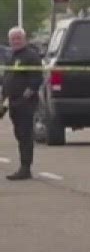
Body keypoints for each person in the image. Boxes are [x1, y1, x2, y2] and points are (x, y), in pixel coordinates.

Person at [3, 28, 42, 181]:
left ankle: (25, 168)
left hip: (25, 103)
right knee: (19, 134)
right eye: (13, 38)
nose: (16, 41)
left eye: (18, 38)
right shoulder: (11, 56)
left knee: (25, 135)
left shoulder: (31, 56)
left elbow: (36, 79)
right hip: (12, 102)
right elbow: (7, 78)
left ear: (24, 39)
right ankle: (23, 166)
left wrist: (26, 96)